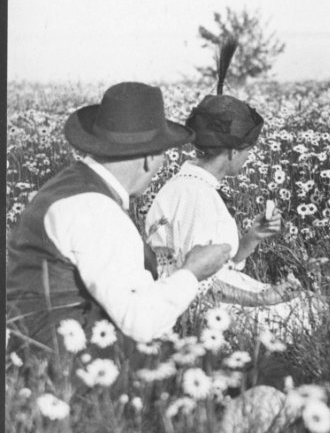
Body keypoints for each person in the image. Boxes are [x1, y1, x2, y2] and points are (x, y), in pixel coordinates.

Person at [6, 82, 231, 354]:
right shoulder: (95, 209)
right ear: (149, 157)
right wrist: (193, 272)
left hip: (34, 344)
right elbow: (140, 321)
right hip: (66, 362)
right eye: (163, 154)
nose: (163, 165)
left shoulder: (70, 186)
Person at [145, 40, 305, 334]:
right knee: (312, 316)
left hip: (214, 301)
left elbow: (215, 264)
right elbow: (198, 283)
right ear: (232, 152)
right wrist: (262, 298)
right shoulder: (198, 198)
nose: (248, 157)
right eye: (247, 150)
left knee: (313, 306)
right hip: (212, 317)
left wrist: (251, 238)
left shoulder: (183, 186)